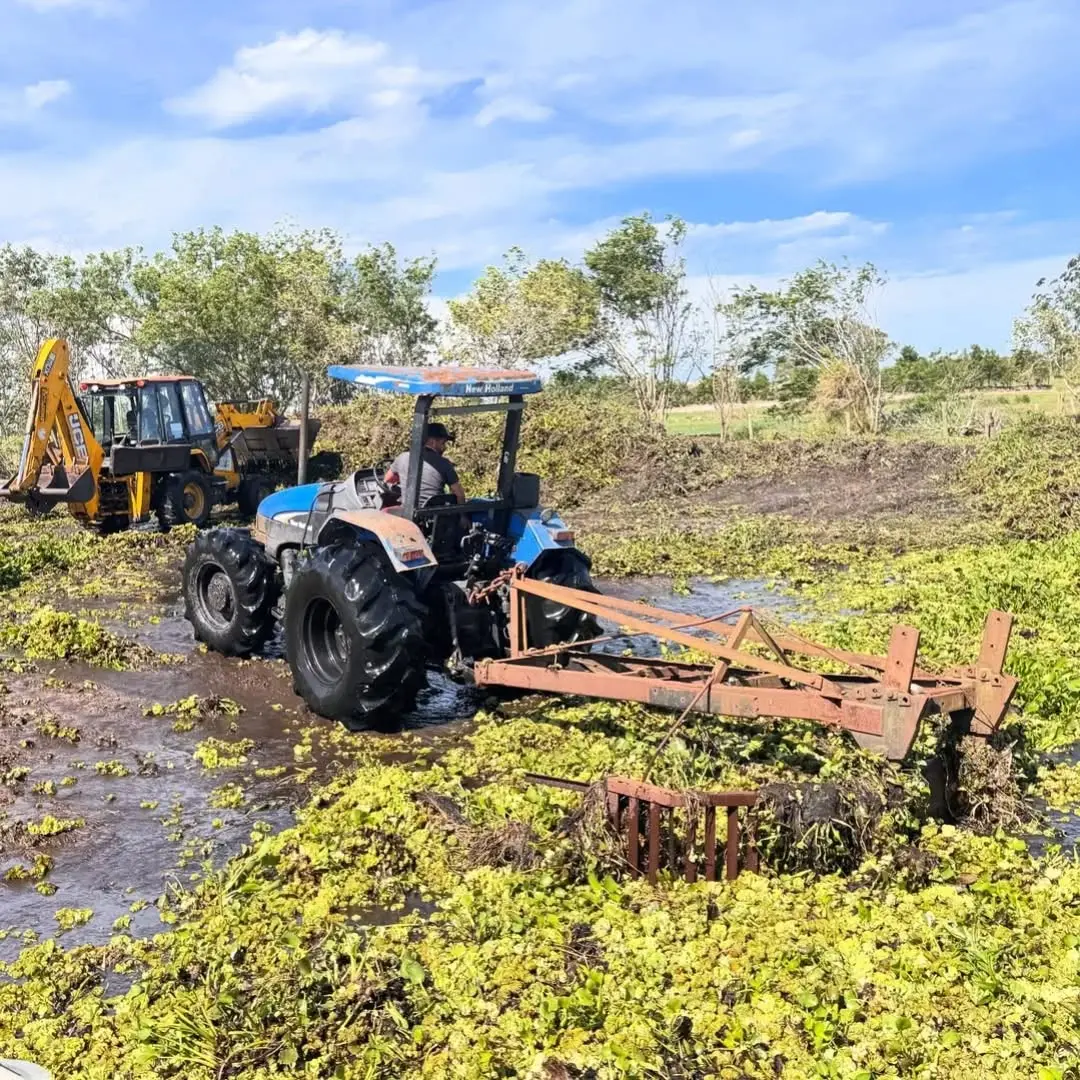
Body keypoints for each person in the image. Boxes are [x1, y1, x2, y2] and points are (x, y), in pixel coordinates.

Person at [385, 422, 466, 508]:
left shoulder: (402, 457)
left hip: (408, 514)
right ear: (432, 442)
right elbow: (459, 494)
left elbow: (388, 479)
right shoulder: (444, 463)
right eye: (443, 443)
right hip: (435, 516)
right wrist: (462, 517)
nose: (444, 447)